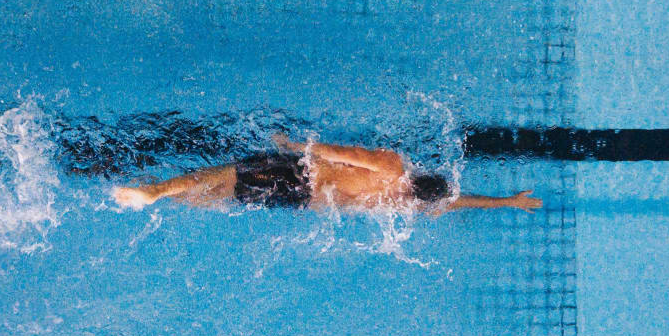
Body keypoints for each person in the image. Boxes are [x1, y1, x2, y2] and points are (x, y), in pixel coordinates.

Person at [111, 133, 541, 214]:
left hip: (300, 174)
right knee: (219, 196)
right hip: (300, 200)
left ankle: (155, 190)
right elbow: (456, 202)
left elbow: (346, 153)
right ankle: (165, 198)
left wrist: (298, 147)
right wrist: (507, 202)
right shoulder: (402, 203)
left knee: (223, 173)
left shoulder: (395, 169)